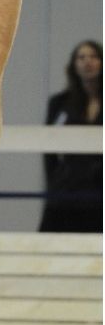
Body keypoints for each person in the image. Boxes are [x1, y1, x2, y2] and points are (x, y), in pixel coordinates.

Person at [39, 40, 103, 233]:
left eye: (93, 57)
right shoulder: (59, 103)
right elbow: (48, 149)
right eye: (81, 57)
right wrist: (53, 185)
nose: (87, 62)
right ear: (74, 65)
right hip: (67, 187)